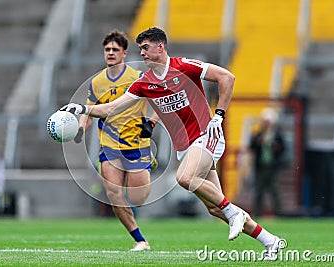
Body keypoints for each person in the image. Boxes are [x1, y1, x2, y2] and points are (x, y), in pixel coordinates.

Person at [64, 27, 283, 259]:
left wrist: (219, 115)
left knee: (185, 178)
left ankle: (233, 212)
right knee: (214, 208)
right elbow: (110, 108)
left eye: (146, 48)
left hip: (206, 135)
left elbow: (227, 77)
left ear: (161, 46)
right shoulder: (144, 82)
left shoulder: (184, 66)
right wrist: (82, 108)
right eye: (140, 49)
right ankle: (270, 241)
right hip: (185, 147)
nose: (143, 54)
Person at [73, 29, 158, 252]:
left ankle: (150, 162)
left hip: (136, 144)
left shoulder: (138, 77)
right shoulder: (97, 82)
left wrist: (152, 122)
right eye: (107, 49)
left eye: (115, 49)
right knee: (114, 195)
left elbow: (160, 103)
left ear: (124, 53)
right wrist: (81, 128)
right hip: (109, 145)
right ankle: (140, 240)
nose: (110, 53)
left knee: (137, 198)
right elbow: (90, 111)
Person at [250, 108, 285, 217]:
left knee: (275, 190)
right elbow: (252, 146)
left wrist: (276, 148)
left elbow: (283, 149)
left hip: (272, 166)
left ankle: (279, 213)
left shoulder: (277, 135)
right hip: (261, 166)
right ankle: (257, 213)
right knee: (259, 190)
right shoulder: (259, 134)